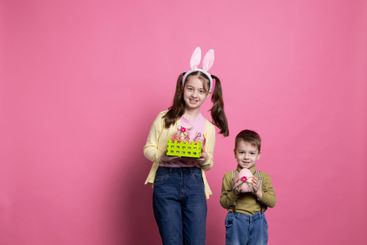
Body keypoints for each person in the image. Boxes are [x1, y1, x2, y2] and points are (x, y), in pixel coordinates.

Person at [143, 47, 229, 245]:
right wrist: (162, 156)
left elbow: (209, 163)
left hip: (194, 183)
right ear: (182, 89)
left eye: (201, 91)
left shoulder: (207, 127)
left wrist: (205, 159)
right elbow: (148, 148)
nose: (194, 95)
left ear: (208, 94)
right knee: (172, 241)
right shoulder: (165, 118)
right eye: (190, 89)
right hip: (166, 180)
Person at [220, 129, 276, 245]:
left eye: (252, 153)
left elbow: (272, 202)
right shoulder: (229, 176)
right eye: (242, 152)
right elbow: (224, 203)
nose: (246, 157)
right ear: (235, 153)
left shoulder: (263, 177)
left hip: (258, 220)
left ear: (258, 155)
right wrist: (234, 192)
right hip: (236, 220)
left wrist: (259, 193)